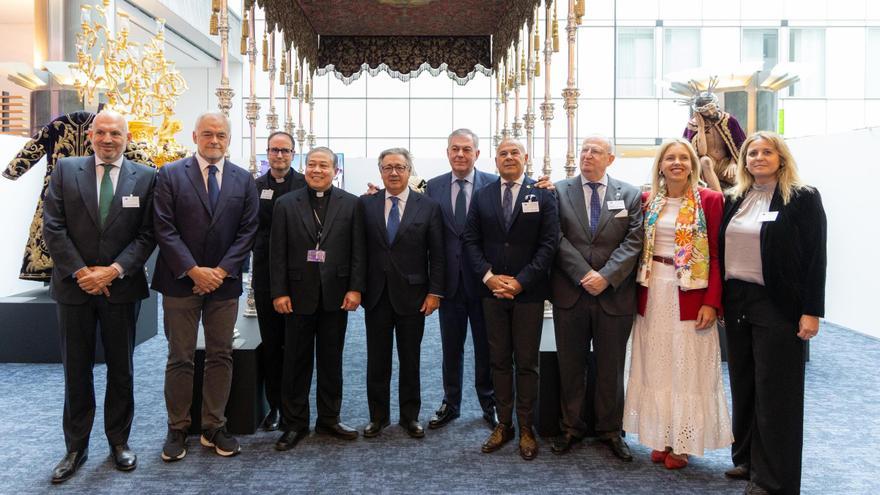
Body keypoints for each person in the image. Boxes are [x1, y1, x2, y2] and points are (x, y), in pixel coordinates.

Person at [42, 110, 157, 483]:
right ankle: (75, 447)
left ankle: (119, 441)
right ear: (91, 135)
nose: (108, 140)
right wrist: (82, 272)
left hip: (121, 288)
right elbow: (54, 227)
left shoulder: (146, 177)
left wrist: (112, 271)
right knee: (76, 369)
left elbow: (147, 234)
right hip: (74, 287)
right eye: (102, 132)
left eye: (116, 134)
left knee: (121, 369)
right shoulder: (65, 170)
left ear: (127, 137)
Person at [719, 131, 826, 495]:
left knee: (775, 391)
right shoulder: (737, 198)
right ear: (744, 160)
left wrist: (812, 311)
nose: (759, 157)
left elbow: (816, 259)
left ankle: (774, 479)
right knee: (745, 384)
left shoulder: (802, 198)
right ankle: (747, 459)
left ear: (781, 158)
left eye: (767, 152)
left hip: (777, 303)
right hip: (737, 301)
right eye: (752, 153)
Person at [152, 112, 259, 461]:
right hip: (180, 282)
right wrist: (194, 271)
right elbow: (163, 228)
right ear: (195, 135)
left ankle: (214, 425)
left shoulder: (243, 180)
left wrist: (220, 271)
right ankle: (178, 427)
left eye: (222, 135)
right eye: (208, 134)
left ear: (229, 139)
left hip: (224, 285)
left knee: (220, 355)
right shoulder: (170, 175)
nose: (215, 140)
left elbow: (248, 231)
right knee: (180, 357)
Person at [622, 138, 732, 469]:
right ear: (660, 165)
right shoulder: (647, 201)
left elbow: (716, 254)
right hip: (652, 291)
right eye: (670, 157)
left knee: (686, 369)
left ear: (693, 165)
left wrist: (712, 302)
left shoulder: (710, 201)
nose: (677, 163)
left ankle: (683, 443)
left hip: (690, 294)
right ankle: (663, 437)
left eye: (683, 158)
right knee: (657, 366)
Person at [464, 139, 559, 461]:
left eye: (514, 152)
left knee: (527, 363)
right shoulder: (483, 195)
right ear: (495, 160)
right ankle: (503, 424)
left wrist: (521, 281)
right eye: (502, 153)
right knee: (499, 361)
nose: (508, 157)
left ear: (526, 157)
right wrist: (489, 277)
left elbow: (548, 245)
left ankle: (527, 428)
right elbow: (470, 241)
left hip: (528, 293)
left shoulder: (543, 194)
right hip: (491, 292)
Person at [549, 136, 643, 461]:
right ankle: (571, 427)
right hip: (570, 292)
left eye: (596, 151)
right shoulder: (559, 192)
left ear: (611, 159)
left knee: (611, 368)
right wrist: (582, 273)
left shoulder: (630, 195)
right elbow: (555, 236)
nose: (587, 156)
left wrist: (606, 276)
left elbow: (634, 241)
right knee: (571, 365)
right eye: (584, 150)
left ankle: (610, 430)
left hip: (613, 294)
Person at [269, 146, 366, 450]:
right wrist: (279, 291)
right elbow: (277, 252)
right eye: (311, 165)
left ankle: (329, 418)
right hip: (297, 295)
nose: (316, 170)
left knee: (331, 359)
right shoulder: (286, 204)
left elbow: (358, 252)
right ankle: (295, 423)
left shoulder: (351, 204)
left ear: (335, 171)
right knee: (295, 361)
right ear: (305, 167)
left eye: (324, 165)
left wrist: (355, 288)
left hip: (336, 295)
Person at [359, 147, 445, 439]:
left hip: (413, 295)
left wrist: (435, 292)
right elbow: (359, 251)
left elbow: (438, 254)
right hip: (377, 295)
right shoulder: (366, 204)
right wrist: (357, 289)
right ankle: (378, 417)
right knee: (377, 360)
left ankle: (410, 417)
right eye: (387, 168)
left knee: (411, 359)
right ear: (380, 171)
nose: (393, 173)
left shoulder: (428, 206)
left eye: (399, 167)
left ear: (409, 171)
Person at [424, 129, 498, 430]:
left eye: (467, 149)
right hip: (449, 284)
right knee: (450, 348)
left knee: (486, 347)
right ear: (447, 152)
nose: (460, 155)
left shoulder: (493, 184)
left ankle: (489, 402)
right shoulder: (434, 186)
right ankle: (450, 403)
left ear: (477, 154)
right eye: (455, 149)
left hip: (484, 282)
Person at [252, 131, 306, 431]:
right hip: (265, 274)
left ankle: (295, 405)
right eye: (275, 150)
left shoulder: (306, 184)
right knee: (271, 343)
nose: (280, 155)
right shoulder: (255, 187)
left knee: (295, 344)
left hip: (299, 276)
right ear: (267, 153)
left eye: (285, 151)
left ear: (293, 153)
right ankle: (274, 406)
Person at [682, 79, 746, 192]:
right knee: (705, 160)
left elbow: (741, 144)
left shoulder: (729, 120)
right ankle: (719, 198)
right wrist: (701, 128)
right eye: (706, 111)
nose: (711, 113)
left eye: (712, 108)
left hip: (725, 163)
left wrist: (733, 162)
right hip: (707, 165)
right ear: (699, 112)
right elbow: (700, 153)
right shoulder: (693, 125)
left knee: (741, 181)